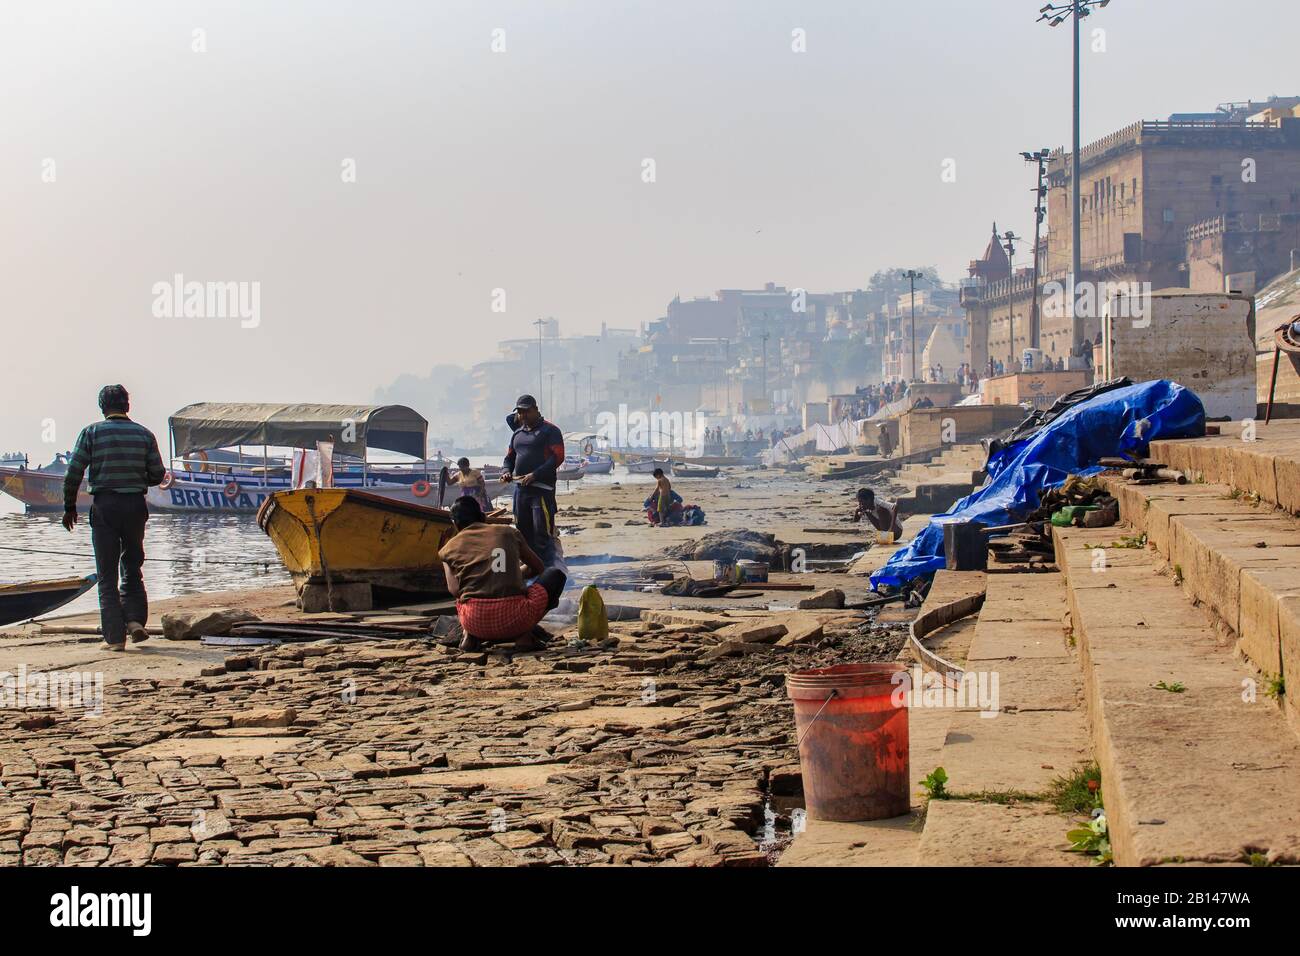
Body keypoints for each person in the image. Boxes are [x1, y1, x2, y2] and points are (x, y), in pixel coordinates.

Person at [61, 385, 166, 652]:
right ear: (127, 406)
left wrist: (69, 507)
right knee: (132, 567)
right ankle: (134, 621)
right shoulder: (145, 435)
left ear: (102, 407)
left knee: (107, 574)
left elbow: (74, 472)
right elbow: (157, 474)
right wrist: (134, 476)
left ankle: (115, 638)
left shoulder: (91, 433)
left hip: (105, 506)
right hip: (134, 506)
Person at [438, 497, 566, 651]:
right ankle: (524, 635)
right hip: (517, 619)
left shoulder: (448, 549)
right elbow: (538, 568)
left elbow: (455, 591)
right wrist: (511, 574)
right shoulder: (508, 532)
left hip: (475, 623)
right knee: (555, 575)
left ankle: (469, 636)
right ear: (483, 516)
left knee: (464, 598)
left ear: (455, 523)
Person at [501, 394, 566, 569]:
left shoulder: (550, 431)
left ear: (536, 410)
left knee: (542, 534)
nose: (524, 415)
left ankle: (550, 571)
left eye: (527, 411)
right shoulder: (517, 434)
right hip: (521, 491)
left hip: (542, 490)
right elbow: (509, 458)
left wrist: (535, 475)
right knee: (523, 532)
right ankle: (531, 571)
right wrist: (506, 471)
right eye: (520, 412)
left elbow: (557, 458)